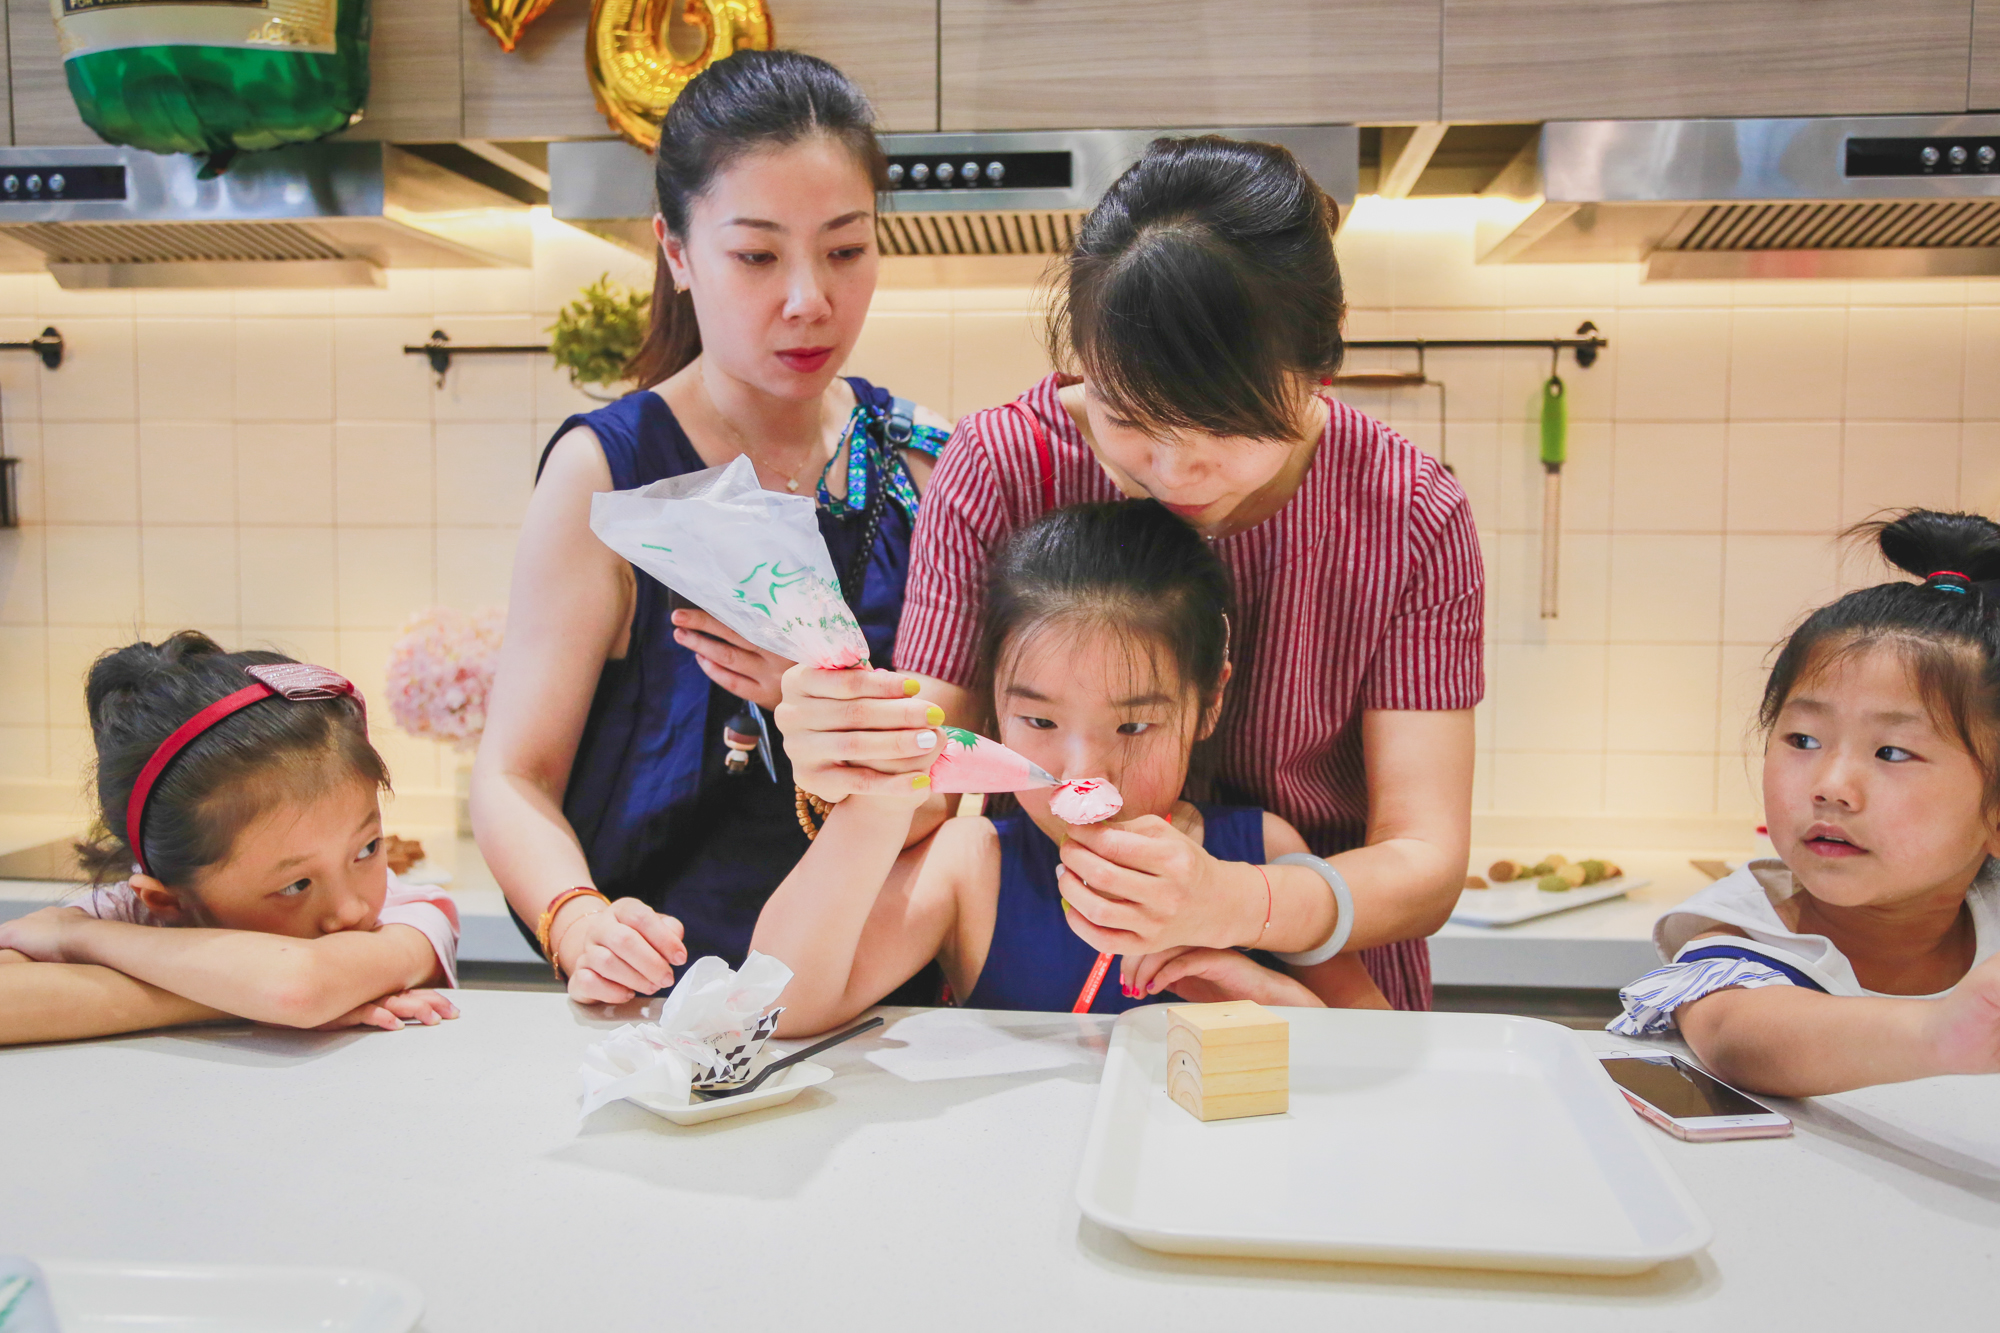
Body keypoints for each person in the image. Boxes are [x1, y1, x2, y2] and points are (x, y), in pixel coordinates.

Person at [776, 135, 1480, 1010]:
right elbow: (932, 773)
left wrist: (1235, 901)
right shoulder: (1000, 465)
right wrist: (851, 758)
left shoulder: (1409, 512)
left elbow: (1425, 861)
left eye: (1227, 426)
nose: (1175, 472)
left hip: (1325, 994)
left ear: (1323, 358)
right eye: (1130, 417)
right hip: (1043, 966)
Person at [473, 50, 953, 1004]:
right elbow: (514, 775)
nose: (810, 298)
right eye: (757, 256)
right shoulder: (606, 473)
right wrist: (579, 919)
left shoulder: (922, 463)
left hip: (882, 1009)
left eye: (845, 250)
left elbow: (959, 768)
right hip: (663, 1012)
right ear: (678, 252)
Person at [753, 500, 1389, 1036]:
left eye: (1133, 727)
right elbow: (773, 1009)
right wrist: (881, 793)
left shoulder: (1261, 852)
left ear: (1210, 702)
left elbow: (1380, 1045)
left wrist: (1273, 998)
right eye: (1040, 722)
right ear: (993, 703)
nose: (1087, 774)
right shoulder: (970, 865)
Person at [1610, 511, 2000, 1096]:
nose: (1831, 785)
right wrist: (1940, 1033)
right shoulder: (1745, 933)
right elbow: (1740, 1038)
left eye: (1892, 752)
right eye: (1804, 741)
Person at [0, 633, 459, 1047]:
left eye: (366, 848)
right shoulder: (131, 913)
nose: (351, 908)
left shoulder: (414, 914)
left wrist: (81, 937)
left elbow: (298, 988)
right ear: (170, 901)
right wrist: (245, 995)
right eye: (296, 884)